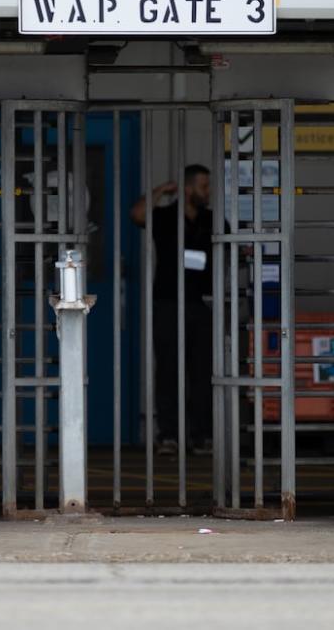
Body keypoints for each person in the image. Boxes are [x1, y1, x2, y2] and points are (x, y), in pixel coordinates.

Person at [131, 164, 215, 457]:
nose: (208, 192)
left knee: (203, 373)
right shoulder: (166, 216)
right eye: (204, 187)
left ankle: (202, 436)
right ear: (189, 188)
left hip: (201, 304)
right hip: (167, 303)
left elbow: (233, 246)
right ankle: (169, 436)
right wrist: (160, 191)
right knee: (168, 371)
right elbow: (138, 215)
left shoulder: (212, 220)